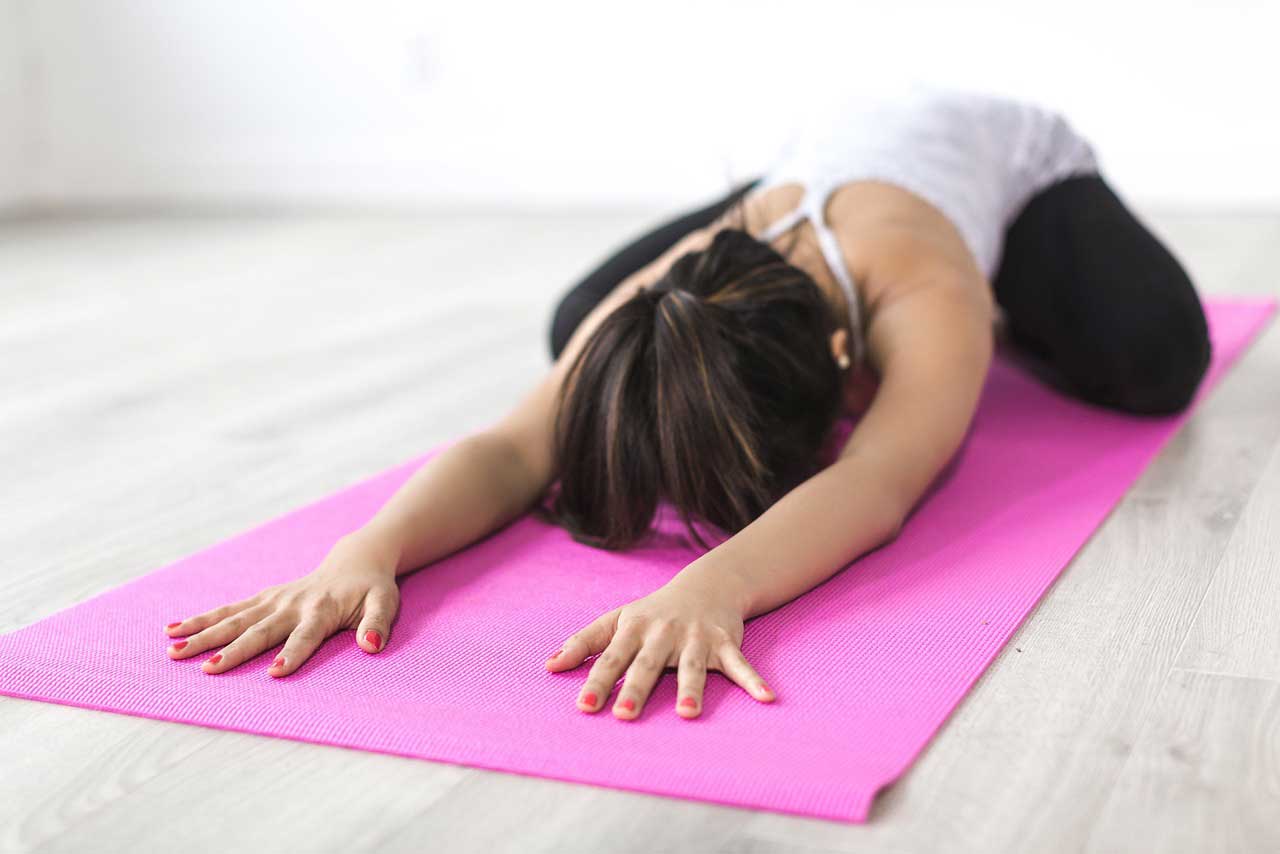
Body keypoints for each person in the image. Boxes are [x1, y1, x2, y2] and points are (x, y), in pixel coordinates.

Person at [161, 88, 1212, 722]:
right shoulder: (677, 282)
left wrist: (716, 584)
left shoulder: (925, 294)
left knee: (1158, 359)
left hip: (1005, 170)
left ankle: (1025, 301)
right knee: (585, 326)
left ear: (850, 368)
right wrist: (364, 551)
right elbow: (510, 445)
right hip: (806, 173)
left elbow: (879, 481)